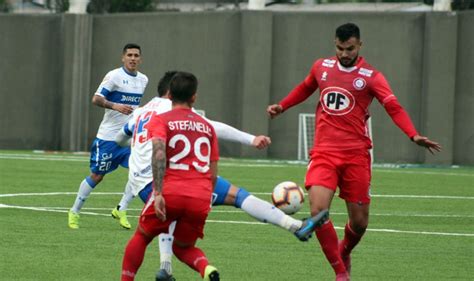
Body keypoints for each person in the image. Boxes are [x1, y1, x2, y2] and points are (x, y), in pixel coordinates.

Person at [267, 23, 441, 281]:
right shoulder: (321, 67)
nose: (344, 53)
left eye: (349, 48)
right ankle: (340, 273)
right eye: (339, 48)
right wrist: (283, 105)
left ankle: (345, 251)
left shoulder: (371, 76)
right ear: (334, 44)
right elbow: (306, 87)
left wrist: (412, 134)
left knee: (359, 223)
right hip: (324, 152)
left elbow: (393, 106)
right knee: (318, 211)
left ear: (360, 45)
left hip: (356, 155)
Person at [115, 71, 329, 281]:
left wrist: (134, 150)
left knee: (154, 226)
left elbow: (121, 138)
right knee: (236, 197)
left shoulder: (141, 112)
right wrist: (251, 139)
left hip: (147, 181)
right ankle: (294, 226)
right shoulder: (189, 118)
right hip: (193, 184)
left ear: (167, 93)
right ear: (191, 96)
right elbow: (213, 133)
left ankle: (165, 267)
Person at [121, 71, 220, 281]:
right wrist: (206, 198)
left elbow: (158, 155)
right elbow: (213, 170)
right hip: (200, 196)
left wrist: (158, 193)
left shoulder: (162, 119)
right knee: (183, 247)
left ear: (169, 95)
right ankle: (207, 269)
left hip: (172, 191)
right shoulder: (207, 126)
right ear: (194, 97)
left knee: (142, 235)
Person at [68, 43, 148, 229]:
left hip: (129, 137)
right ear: (123, 57)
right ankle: (74, 211)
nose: (133, 58)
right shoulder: (114, 76)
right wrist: (115, 106)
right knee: (97, 176)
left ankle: (121, 208)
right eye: (129, 55)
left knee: (140, 173)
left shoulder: (143, 80)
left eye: (136, 55)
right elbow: (96, 99)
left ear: (140, 59)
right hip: (109, 138)